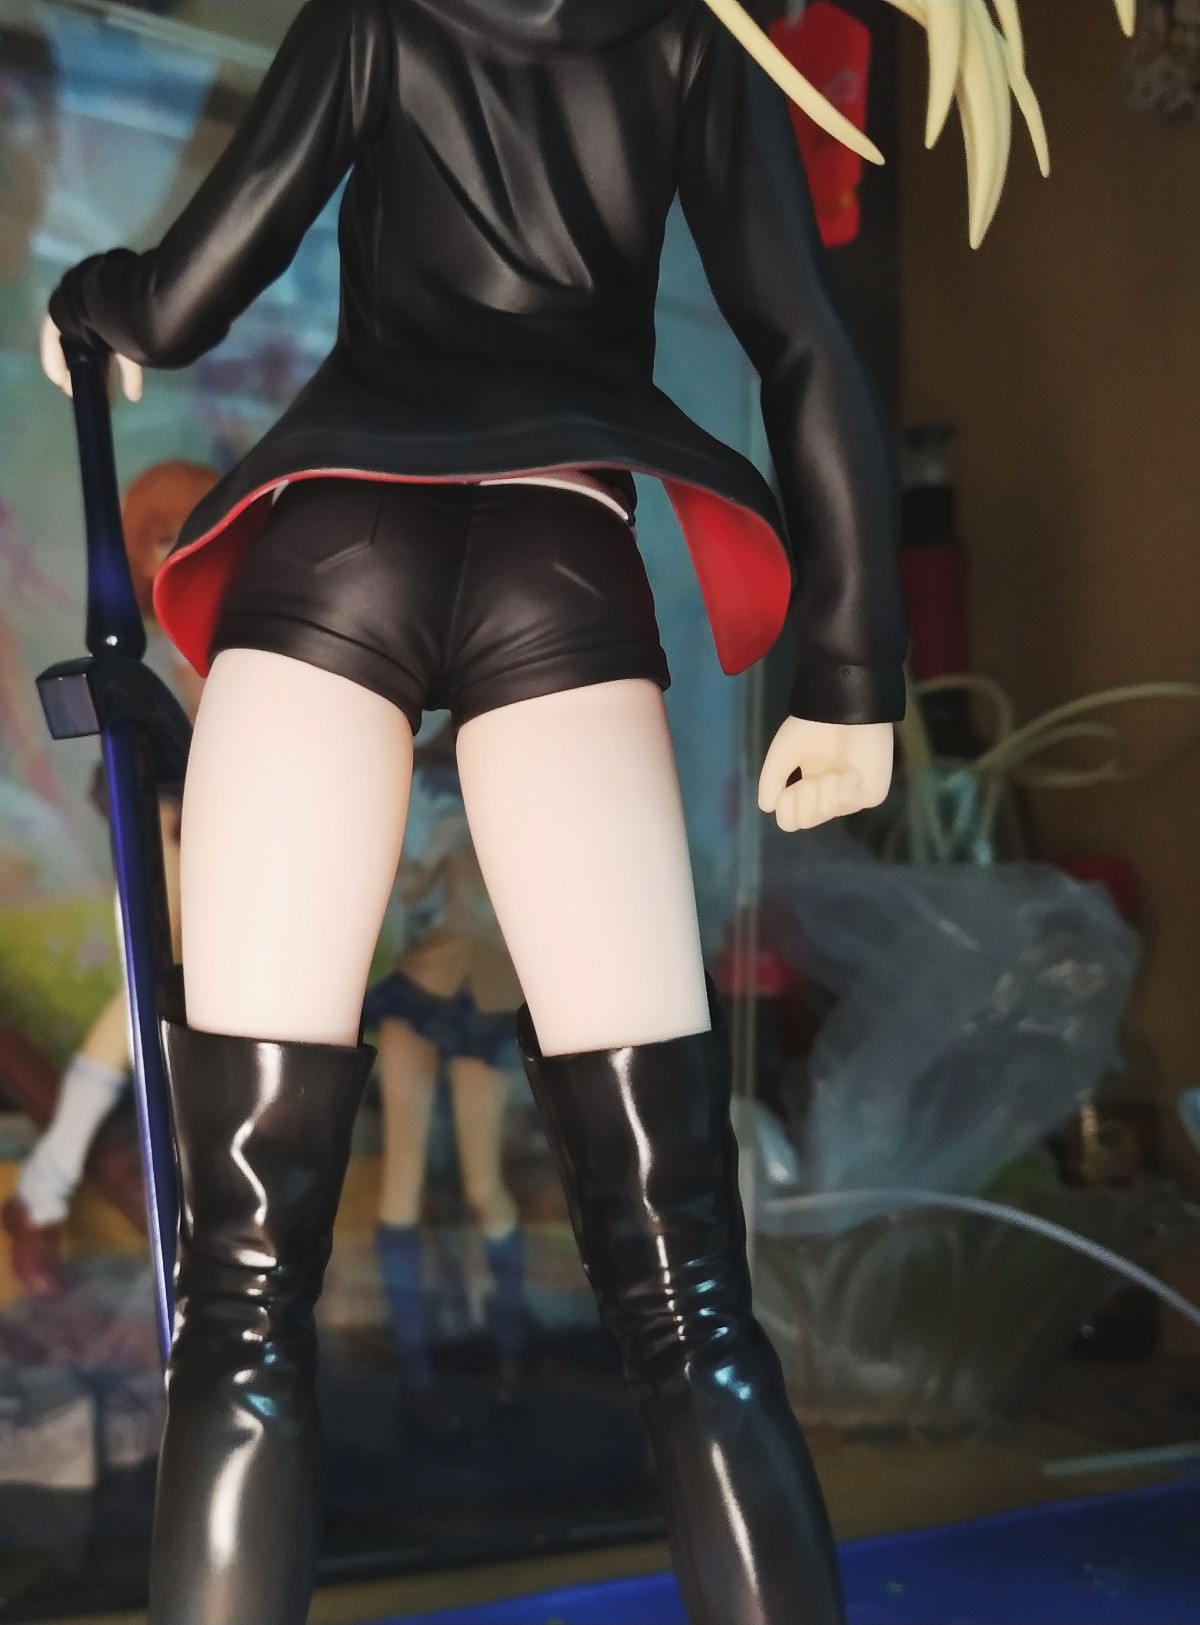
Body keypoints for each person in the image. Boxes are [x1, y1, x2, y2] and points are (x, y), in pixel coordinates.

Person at [38, 3, 1130, 1622]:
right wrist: (851, 669)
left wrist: (92, 303)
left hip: (335, 551)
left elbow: (191, 296)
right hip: (558, 558)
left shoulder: (380, 14)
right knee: (688, 1287)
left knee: (243, 1291)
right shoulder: (695, 44)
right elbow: (800, 338)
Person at [2, 463, 215, 1296]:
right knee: (144, 999)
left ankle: (47, 1186)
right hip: (172, 831)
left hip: (211, 833)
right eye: (161, 539)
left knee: (171, 1004)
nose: (174, 553)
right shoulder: (174, 646)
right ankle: (46, 1185)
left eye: (186, 534)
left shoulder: (215, 635)